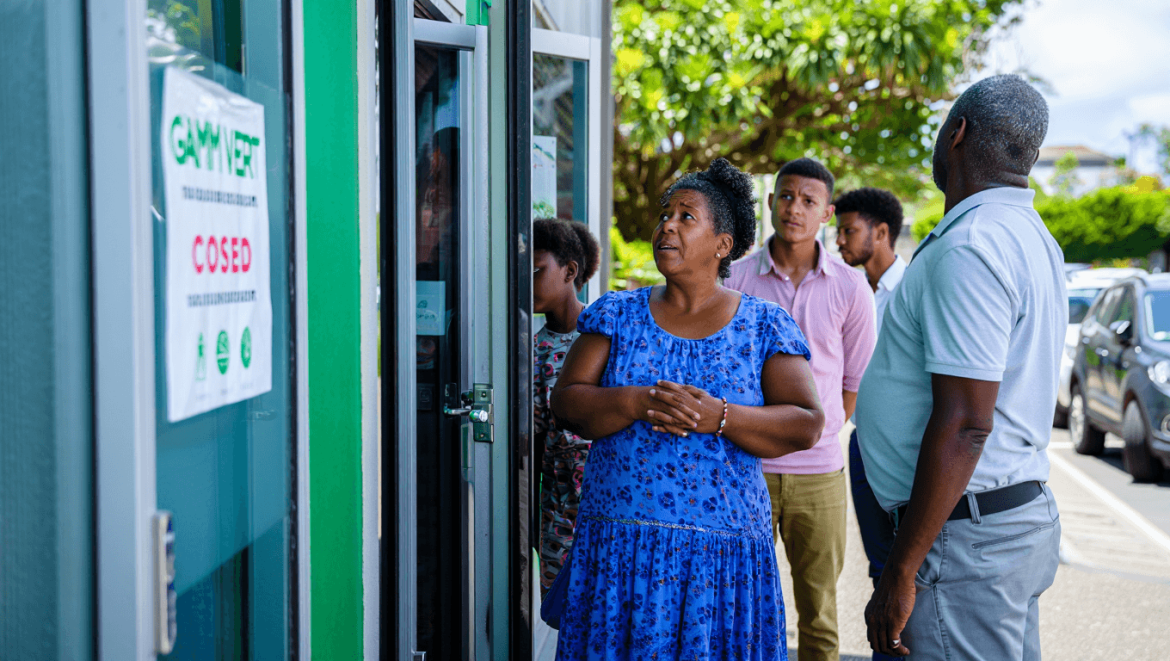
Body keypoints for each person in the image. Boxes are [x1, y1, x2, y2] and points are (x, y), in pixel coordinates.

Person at [550, 158, 825, 660]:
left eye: (686, 216)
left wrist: (720, 417)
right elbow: (566, 403)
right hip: (621, 553)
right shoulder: (616, 314)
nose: (666, 226)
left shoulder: (763, 326)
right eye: (664, 214)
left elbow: (807, 423)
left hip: (719, 562)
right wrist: (635, 400)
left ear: (723, 245)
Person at [856, 74, 1066, 660]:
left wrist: (902, 568)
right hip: (999, 524)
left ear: (958, 133)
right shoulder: (1029, 235)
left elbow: (968, 423)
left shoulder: (973, 243)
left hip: (966, 539)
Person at [726, 158, 876, 661]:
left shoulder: (850, 287)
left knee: (819, 613)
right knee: (739, 606)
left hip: (820, 475)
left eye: (809, 201)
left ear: (827, 213)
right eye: (787, 196)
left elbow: (853, 381)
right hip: (745, 468)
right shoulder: (735, 280)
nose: (795, 208)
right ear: (770, 202)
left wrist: (820, 432)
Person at [833, 187, 907, 661]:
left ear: (880, 233)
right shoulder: (851, 289)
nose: (839, 241)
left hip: (903, 451)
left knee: (906, 572)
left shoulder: (914, 289)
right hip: (862, 446)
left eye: (848, 231)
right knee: (879, 571)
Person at [532, 218, 601, 595]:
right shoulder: (532, 349)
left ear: (570, 271)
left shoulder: (604, 332)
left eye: (536, 270)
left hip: (608, 496)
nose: (526, 281)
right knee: (568, 610)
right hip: (559, 508)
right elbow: (536, 440)